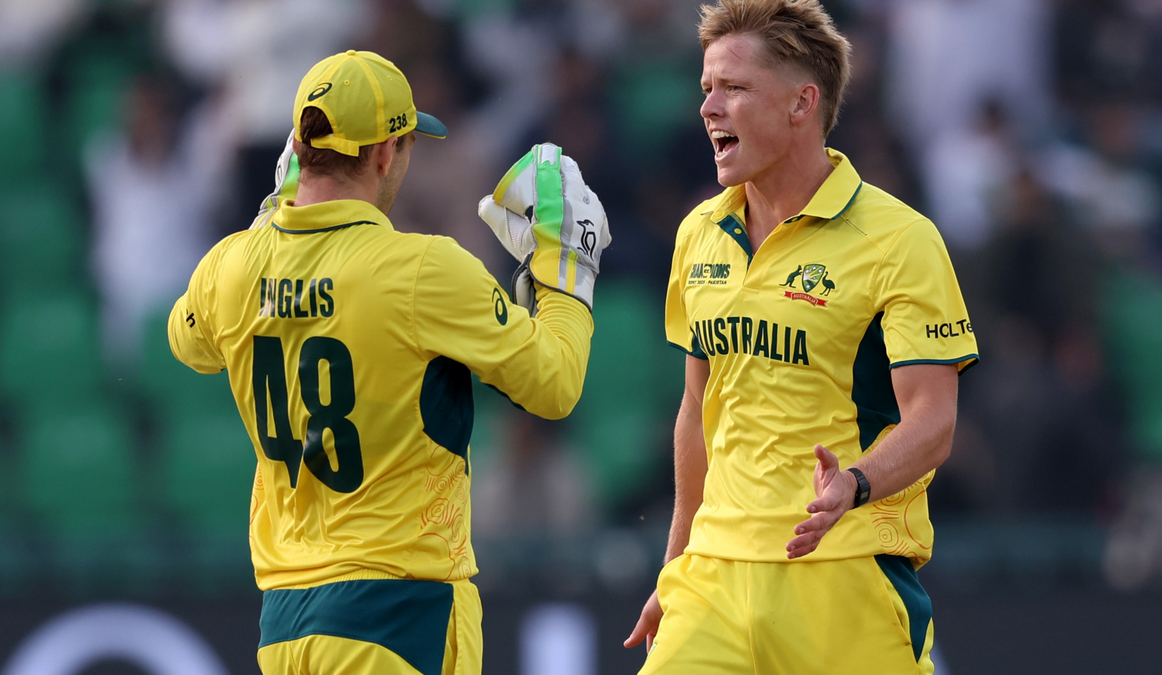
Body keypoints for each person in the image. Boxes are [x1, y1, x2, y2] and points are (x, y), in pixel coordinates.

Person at [167, 50, 609, 675]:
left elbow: (187, 344)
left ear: (300, 148)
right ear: (383, 153)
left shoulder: (231, 264)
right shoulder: (423, 269)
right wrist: (566, 274)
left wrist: (272, 216)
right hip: (397, 612)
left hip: (284, 626)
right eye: (406, 145)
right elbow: (555, 384)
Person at [623, 2, 978, 673]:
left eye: (734, 87)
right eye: (706, 88)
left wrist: (856, 483)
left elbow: (934, 419)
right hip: (712, 579)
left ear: (801, 103)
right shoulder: (698, 232)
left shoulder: (900, 240)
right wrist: (675, 566)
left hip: (845, 572)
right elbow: (696, 409)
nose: (709, 108)